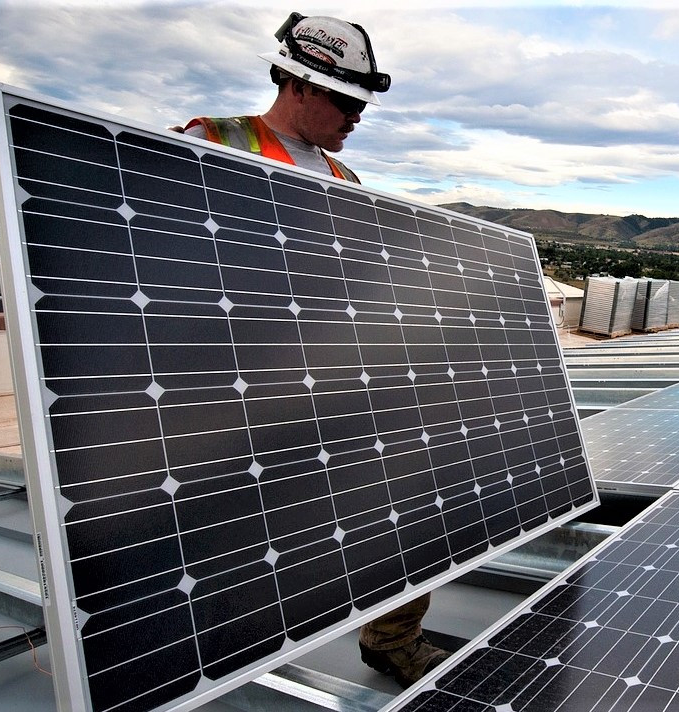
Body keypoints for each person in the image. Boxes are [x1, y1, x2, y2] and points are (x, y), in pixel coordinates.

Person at [184, 13, 448, 688]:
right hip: (233, 388)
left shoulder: (344, 178)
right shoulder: (209, 142)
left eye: (363, 103)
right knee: (237, 539)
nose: (357, 115)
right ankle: (198, 661)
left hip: (323, 378)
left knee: (409, 493)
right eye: (346, 100)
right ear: (298, 84)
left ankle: (392, 637)